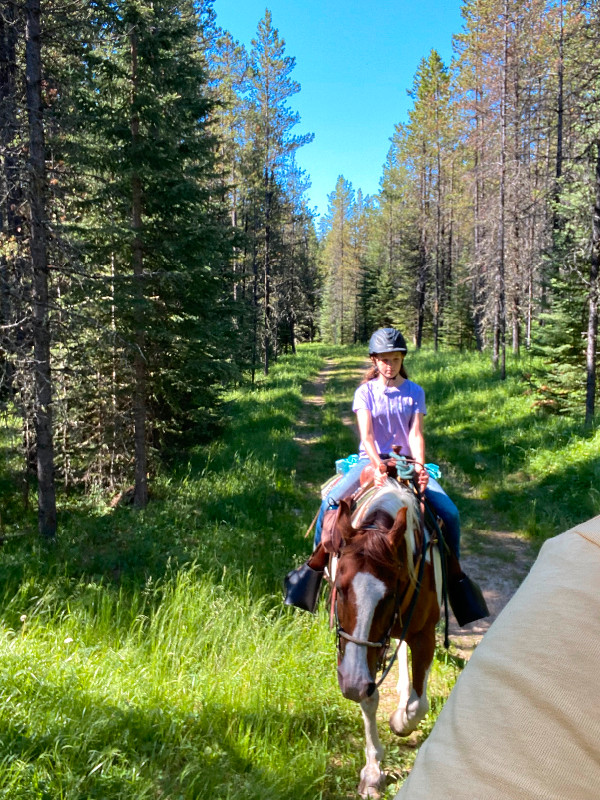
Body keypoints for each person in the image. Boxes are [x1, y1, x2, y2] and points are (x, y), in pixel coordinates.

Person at [284, 327, 487, 625]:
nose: (389, 364)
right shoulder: (365, 392)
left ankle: (453, 581)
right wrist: (377, 464)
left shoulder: (415, 392)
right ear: (374, 360)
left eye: (395, 358)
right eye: (383, 359)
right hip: (371, 459)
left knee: (451, 514)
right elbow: (366, 435)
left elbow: (416, 433)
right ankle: (315, 572)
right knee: (330, 501)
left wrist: (419, 466)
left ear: (402, 358)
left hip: (405, 461)